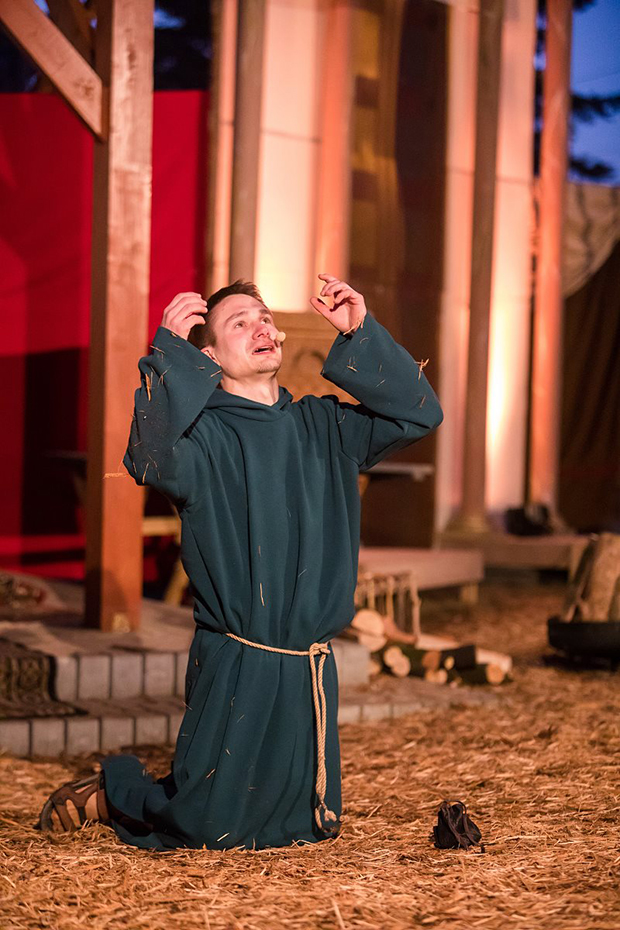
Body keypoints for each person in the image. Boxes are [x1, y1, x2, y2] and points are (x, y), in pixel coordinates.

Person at [38, 274, 443, 849]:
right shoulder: (202, 438)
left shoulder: (324, 425)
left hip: (305, 660)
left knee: (300, 828)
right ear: (209, 357)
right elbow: (148, 458)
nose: (261, 328)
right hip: (238, 655)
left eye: (264, 318)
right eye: (239, 322)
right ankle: (115, 790)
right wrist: (170, 356)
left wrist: (359, 332)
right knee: (209, 827)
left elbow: (418, 415)